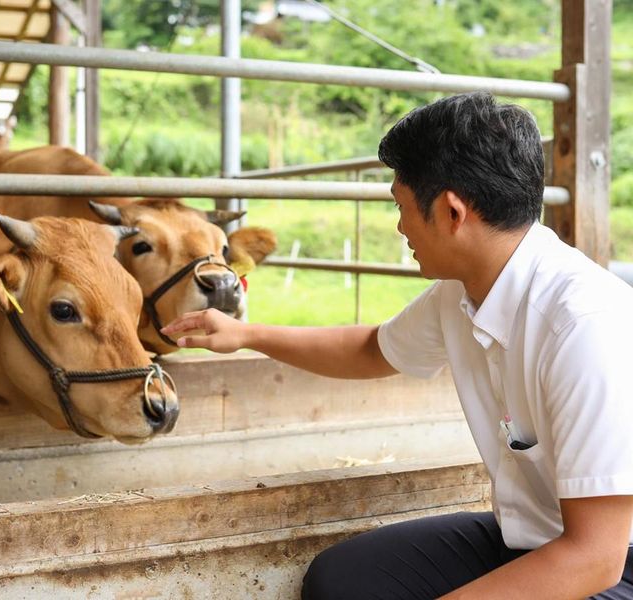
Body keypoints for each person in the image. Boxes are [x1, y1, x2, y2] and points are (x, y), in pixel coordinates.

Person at [161, 92, 633, 599]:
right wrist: (246, 335)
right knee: (342, 582)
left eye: (401, 206)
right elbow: (372, 349)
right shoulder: (465, 291)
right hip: (529, 539)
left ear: (452, 212)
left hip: (611, 566)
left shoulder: (582, 326)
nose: (400, 227)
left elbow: (595, 557)